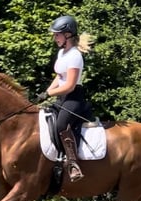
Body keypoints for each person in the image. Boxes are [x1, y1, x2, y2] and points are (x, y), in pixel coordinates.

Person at [36, 15, 94, 182]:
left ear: (68, 35)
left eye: (57, 35)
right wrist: (46, 92)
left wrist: (48, 94)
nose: (55, 38)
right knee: (48, 121)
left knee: (61, 125)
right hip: (62, 97)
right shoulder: (62, 53)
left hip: (74, 97)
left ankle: (73, 164)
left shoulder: (75, 55)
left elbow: (69, 85)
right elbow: (59, 76)